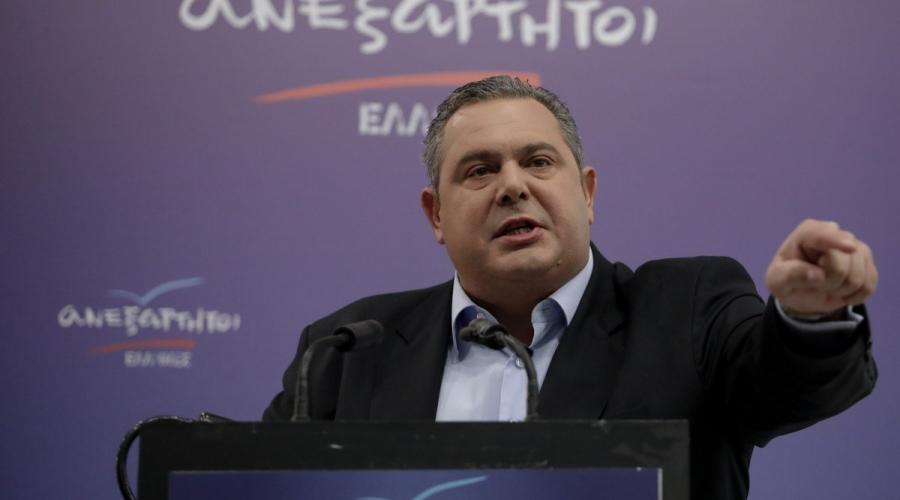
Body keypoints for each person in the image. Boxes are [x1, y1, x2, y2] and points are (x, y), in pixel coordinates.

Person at [263, 76, 878, 500]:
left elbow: (785, 385)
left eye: (538, 162)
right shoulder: (348, 349)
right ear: (437, 215)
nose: (512, 186)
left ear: (586, 193)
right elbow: (252, 482)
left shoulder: (686, 307)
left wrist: (809, 319)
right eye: (480, 170)